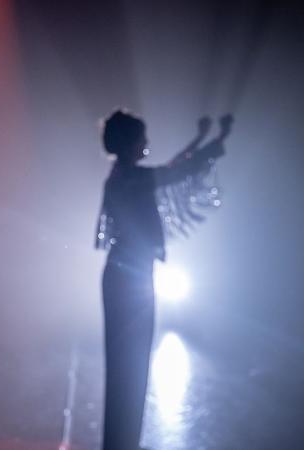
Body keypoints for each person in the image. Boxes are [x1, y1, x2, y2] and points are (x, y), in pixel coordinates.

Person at [95, 110, 232, 449]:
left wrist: (201, 140)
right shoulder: (129, 178)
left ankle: (121, 442)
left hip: (129, 276)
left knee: (129, 368)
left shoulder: (126, 175)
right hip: (129, 280)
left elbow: (169, 170)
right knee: (130, 368)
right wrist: (218, 141)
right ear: (130, 143)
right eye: (142, 137)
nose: (147, 143)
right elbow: (175, 173)